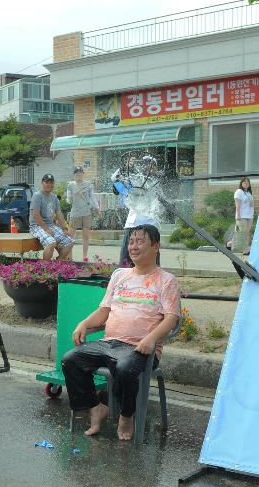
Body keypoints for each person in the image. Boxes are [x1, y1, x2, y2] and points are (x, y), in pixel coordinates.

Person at [61, 224, 180, 441]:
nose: (133, 247)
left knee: (125, 369)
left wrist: (151, 339)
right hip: (109, 343)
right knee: (71, 360)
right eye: (131, 242)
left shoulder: (166, 280)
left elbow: (171, 318)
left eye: (140, 241)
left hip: (139, 348)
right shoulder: (119, 275)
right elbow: (104, 310)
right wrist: (85, 323)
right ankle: (96, 407)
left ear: (156, 246)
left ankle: (127, 415)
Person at [112, 155, 159, 267]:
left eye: (150, 164)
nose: (147, 166)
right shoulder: (133, 179)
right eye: (144, 163)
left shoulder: (157, 180)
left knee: (151, 261)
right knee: (126, 261)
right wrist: (125, 167)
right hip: (132, 224)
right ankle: (124, 282)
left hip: (151, 224)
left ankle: (152, 283)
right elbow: (116, 186)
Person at [29, 173, 74, 260]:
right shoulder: (37, 196)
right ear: (42, 183)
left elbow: (59, 214)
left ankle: (57, 264)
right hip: (37, 226)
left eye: (51, 182)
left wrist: (64, 228)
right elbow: (36, 214)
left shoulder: (54, 198)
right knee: (51, 243)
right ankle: (45, 269)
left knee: (70, 241)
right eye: (47, 182)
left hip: (51, 226)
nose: (49, 185)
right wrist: (46, 229)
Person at [66, 165, 101, 262]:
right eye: (77, 174)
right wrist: (70, 197)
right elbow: (68, 200)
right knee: (70, 237)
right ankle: (69, 256)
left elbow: (92, 197)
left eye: (80, 173)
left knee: (86, 237)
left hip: (87, 213)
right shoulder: (70, 185)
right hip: (75, 214)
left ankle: (85, 257)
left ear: (83, 174)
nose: (79, 175)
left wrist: (97, 208)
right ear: (74, 175)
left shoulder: (88, 184)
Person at [234, 176, 254, 255]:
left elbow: (251, 205)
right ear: (241, 183)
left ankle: (246, 249)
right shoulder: (239, 192)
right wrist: (238, 215)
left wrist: (252, 214)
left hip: (249, 216)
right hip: (242, 216)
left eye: (247, 182)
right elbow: (237, 205)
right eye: (244, 182)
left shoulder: (249, 193)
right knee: (244, 233)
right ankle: (245, 250)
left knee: (247, 233)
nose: (246, 183)